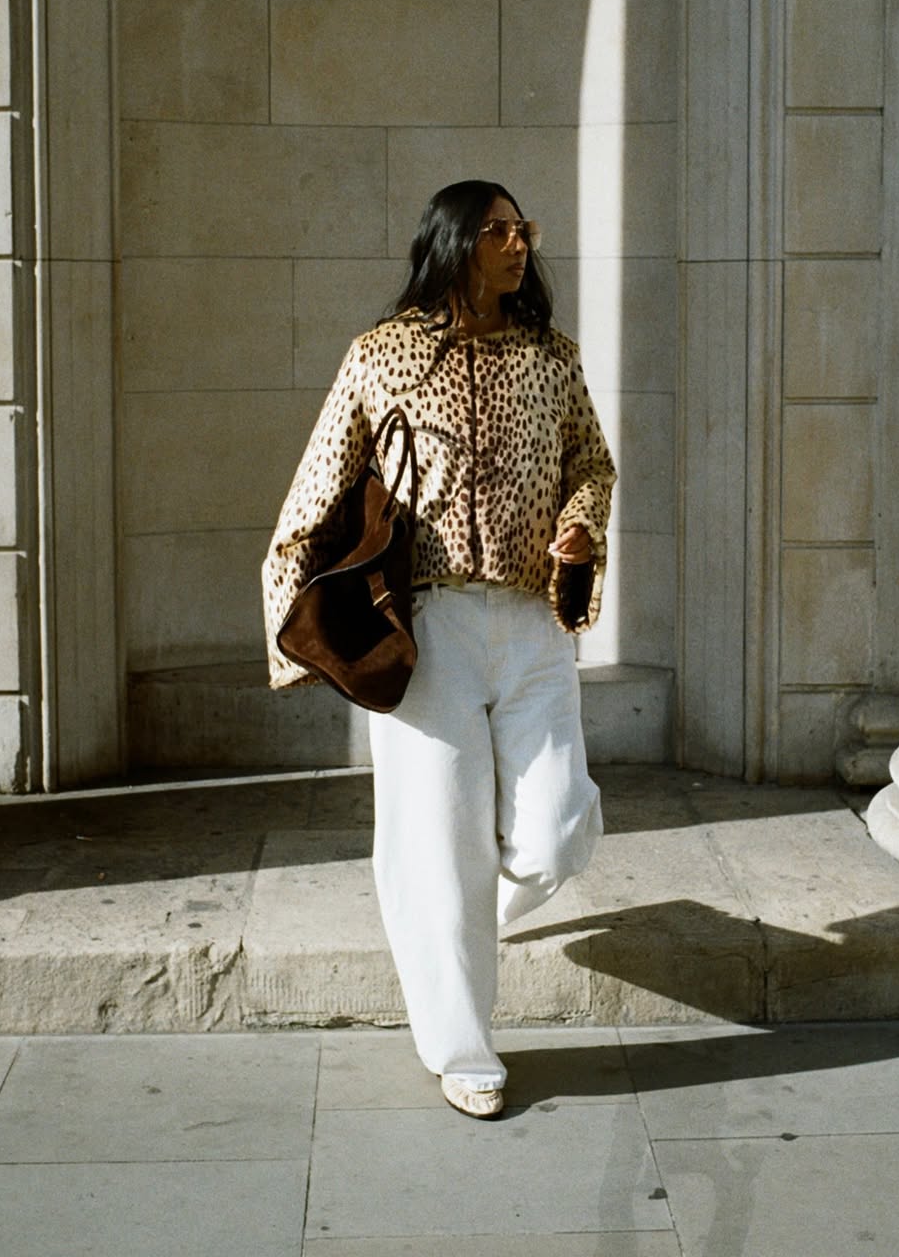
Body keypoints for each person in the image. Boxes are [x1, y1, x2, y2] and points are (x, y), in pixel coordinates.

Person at [262, 179, 616, 1118]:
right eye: (498, 231)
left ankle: (467, 928)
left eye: (523, 230)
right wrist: (294, 629)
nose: (518, 245)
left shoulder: (551, 358)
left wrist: (579, 528)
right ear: (455, 243)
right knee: (436, 841)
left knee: (557, 830)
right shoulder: (381, 357)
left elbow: (593, 463)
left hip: (534, 624)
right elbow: (319, 486)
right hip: (429, 627)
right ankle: (463, 1050)